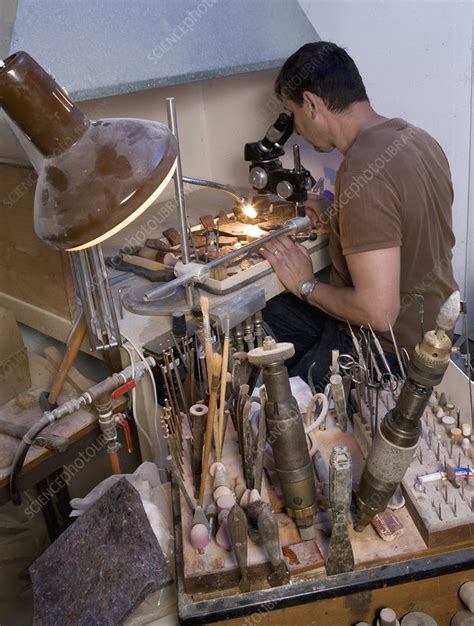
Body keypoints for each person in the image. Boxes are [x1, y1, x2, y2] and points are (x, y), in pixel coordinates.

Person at [261, 42, 458, 388]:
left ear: (311, 104)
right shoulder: (416, 138)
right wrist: (334, 209)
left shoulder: (364, 169)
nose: (298, 129)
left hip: (387, 351)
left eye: (294, 113)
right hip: (431, 328)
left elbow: (377, 313)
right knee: (271, 316)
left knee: (277, 404)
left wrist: (305, 284)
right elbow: (400, 214)